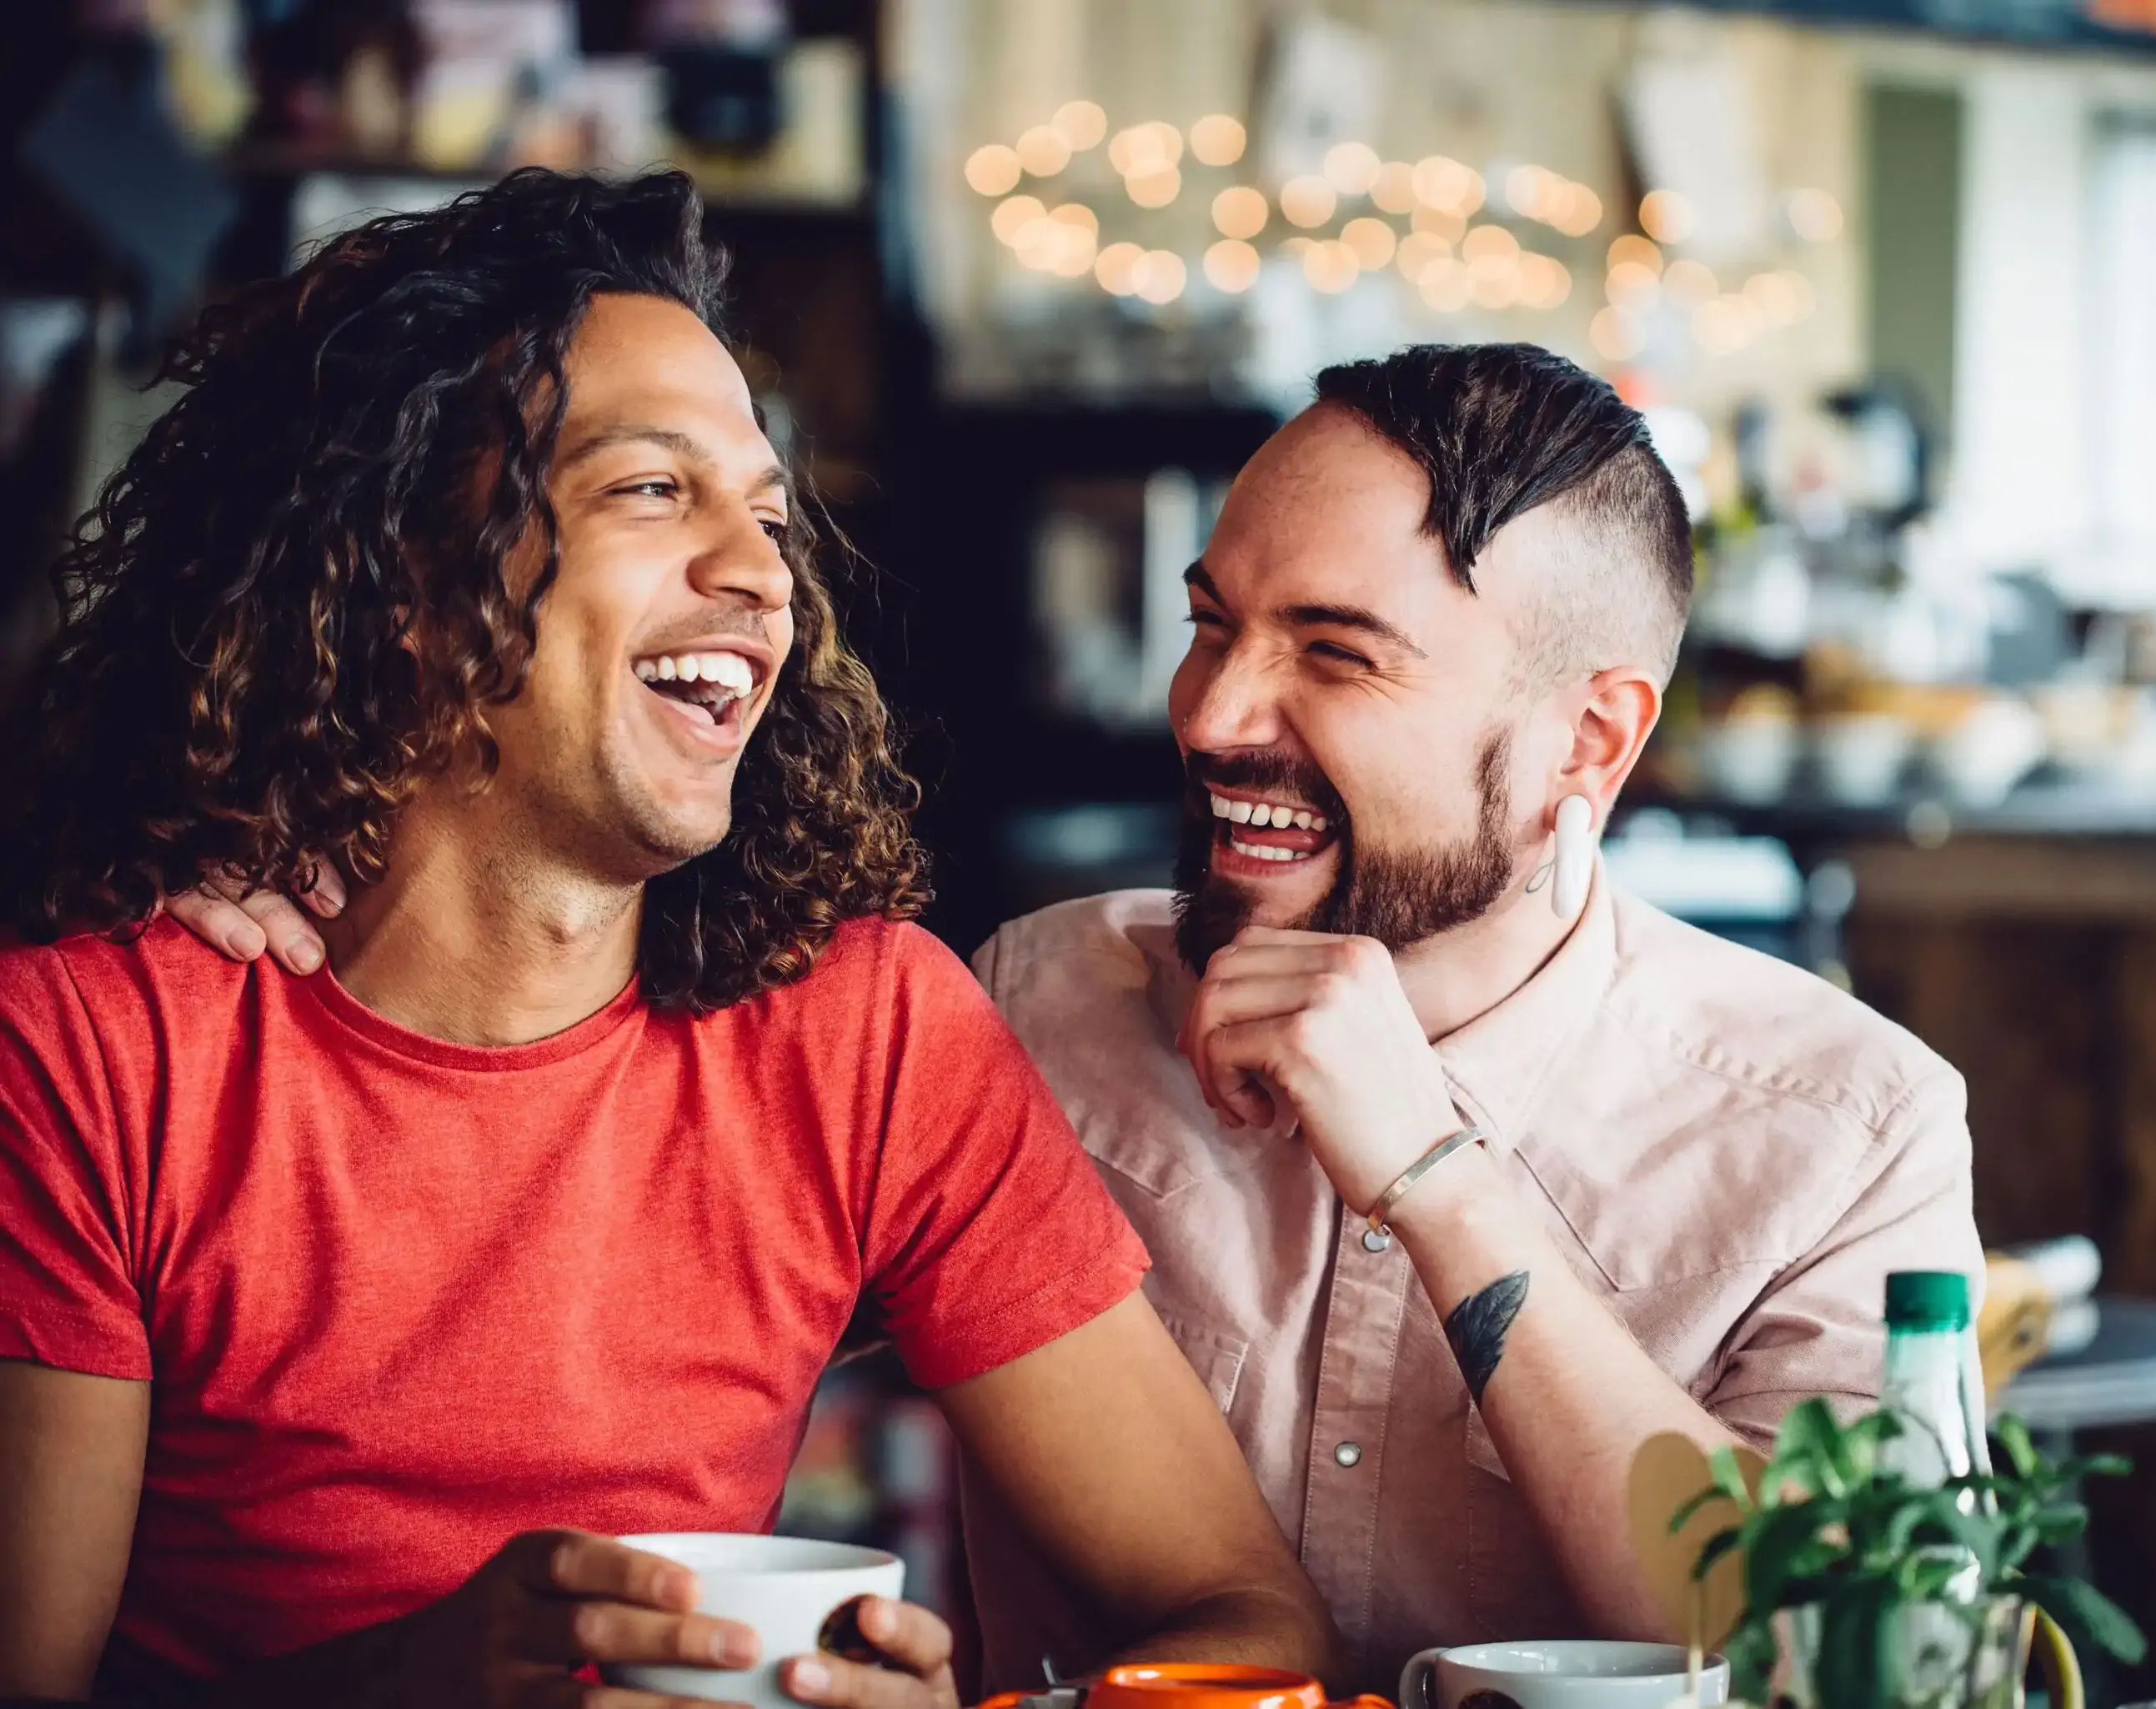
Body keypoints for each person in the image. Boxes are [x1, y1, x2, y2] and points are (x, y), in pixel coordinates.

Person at [170, 345, 1983, 1689]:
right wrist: (309, 878)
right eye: (1215, 623)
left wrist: (1439, 1173)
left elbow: (1834, 1662)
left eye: (1333, 654)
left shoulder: (1846, 1122)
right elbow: (596, 1145)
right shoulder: (1032, 998)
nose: (1211, 715)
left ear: (1591, 741)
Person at [0, 169, 1334, 1706]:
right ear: (400, 579)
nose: (765, 574)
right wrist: (420, 1683)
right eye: (652, 488)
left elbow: (1243, 1614)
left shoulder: (862, 1027)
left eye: (769, 513)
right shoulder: (97, 1052)